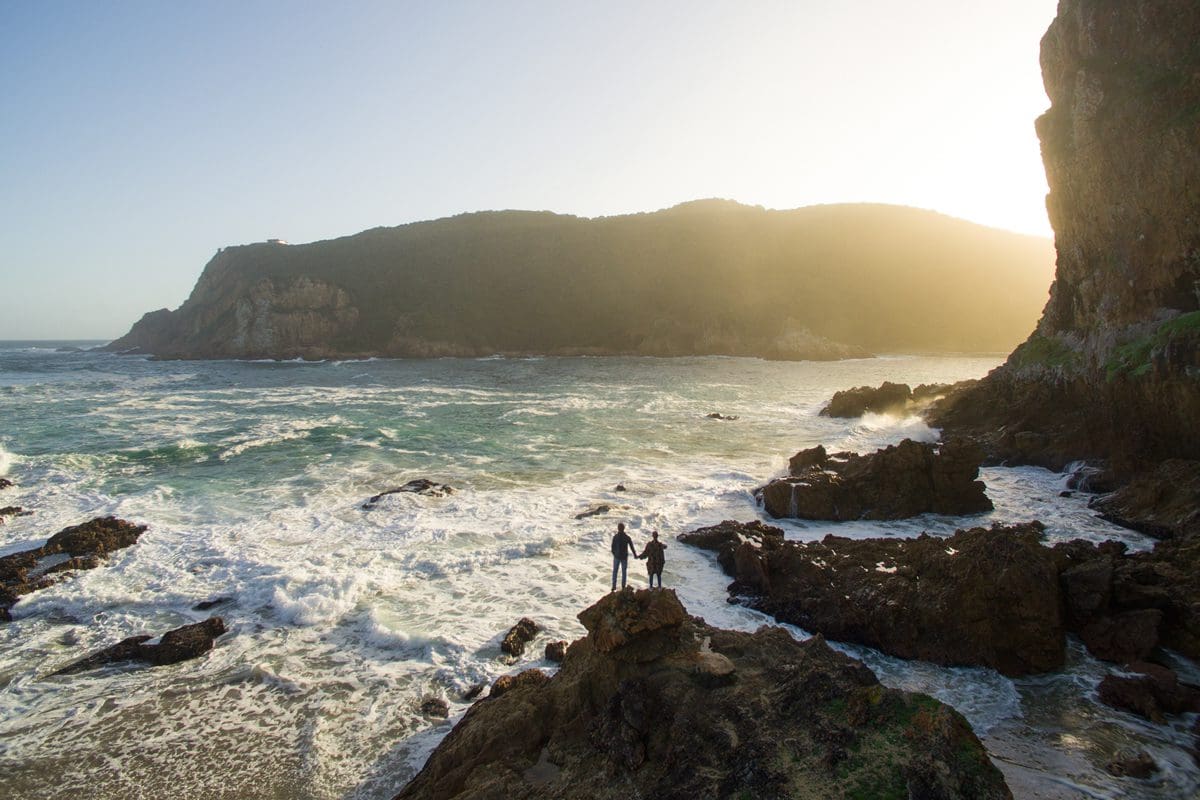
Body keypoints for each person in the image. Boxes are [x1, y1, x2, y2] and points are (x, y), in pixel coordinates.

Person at [610, 522, 640, 591]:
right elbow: (632, 547)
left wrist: (614, 554)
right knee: (623, 572)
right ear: (623, 529)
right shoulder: (627, 537)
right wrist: (635, 555)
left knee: (615, 571)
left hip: (617, 557)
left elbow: (612, 547)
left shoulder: (616, 537)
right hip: (623, 557)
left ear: (618, 528)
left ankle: (614, 587)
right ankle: (623, 586)